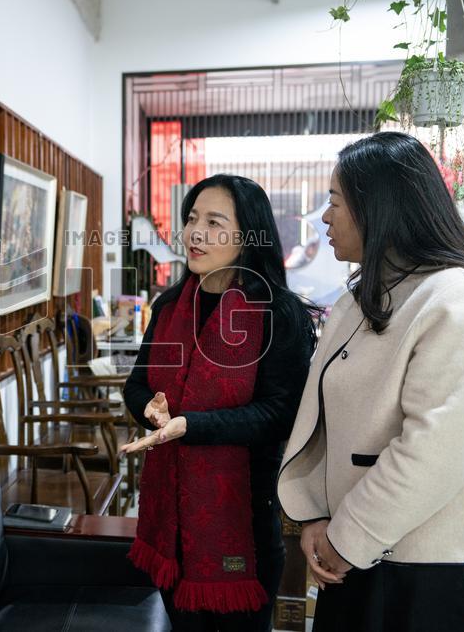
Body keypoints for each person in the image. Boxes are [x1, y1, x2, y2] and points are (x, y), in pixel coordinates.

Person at [277, 131, 464, 631]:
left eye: (335, 202)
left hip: (434, 575)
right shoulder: (360, 301)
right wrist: (315, 517)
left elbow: (435, 449)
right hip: (357, 557)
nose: (325, 217)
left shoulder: (460, 298)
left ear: (380, 207)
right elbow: (328, 423)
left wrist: (346, 537)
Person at [119, 174, 317, 631]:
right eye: (192, 219)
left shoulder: (276, 313)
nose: (196, 233)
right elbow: (136, 384)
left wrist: (191, 426)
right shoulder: (169, 307)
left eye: (214, 222)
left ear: (248, 236)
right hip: (169, 526)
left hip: (243, 521)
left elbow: (281, 414)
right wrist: (150, 410)